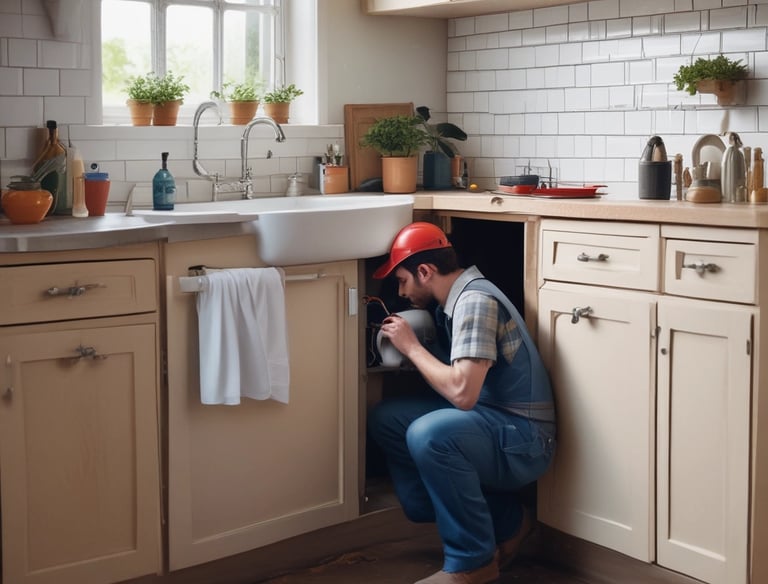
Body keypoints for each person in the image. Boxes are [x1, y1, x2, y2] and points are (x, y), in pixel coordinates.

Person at [368, 222, 556, 584]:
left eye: (403, 280)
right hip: (492, 421)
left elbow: (462, 394)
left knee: (430, 434)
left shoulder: (474, 303)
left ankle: (472, 564)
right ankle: (508, 520)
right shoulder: (450, 303)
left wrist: (411, 347)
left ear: (425, 271)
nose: (401, 291)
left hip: (524, 438)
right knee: (388, 420)